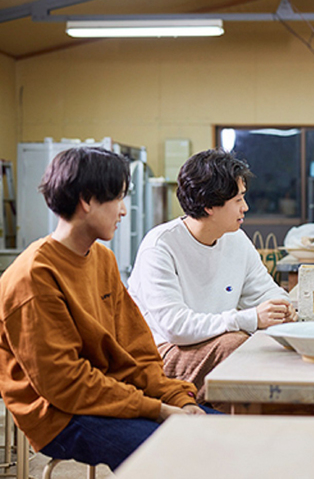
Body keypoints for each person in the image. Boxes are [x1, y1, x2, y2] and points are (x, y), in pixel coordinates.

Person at [0, 147, 204, 471]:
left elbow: (138, 352)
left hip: (109, 395)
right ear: (87, 200)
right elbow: (66, 385)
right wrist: (157, 409)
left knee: (218, 430)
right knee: (179, 451)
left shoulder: (103, 259)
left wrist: (177, 398)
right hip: (60, 416)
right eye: (118, 198)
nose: (123, 211)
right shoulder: (33, 276)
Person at [128, 149, 296, 404]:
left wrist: (284, 309)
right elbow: (176, 328)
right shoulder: (160, 245)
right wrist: (250, 318)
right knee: (237, 346)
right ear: (209, 206)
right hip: (161, 355)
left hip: (213, 342)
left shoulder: (235, 238)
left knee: (266, 345)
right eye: (238, 200)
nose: (246, 207)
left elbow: (264, 290)